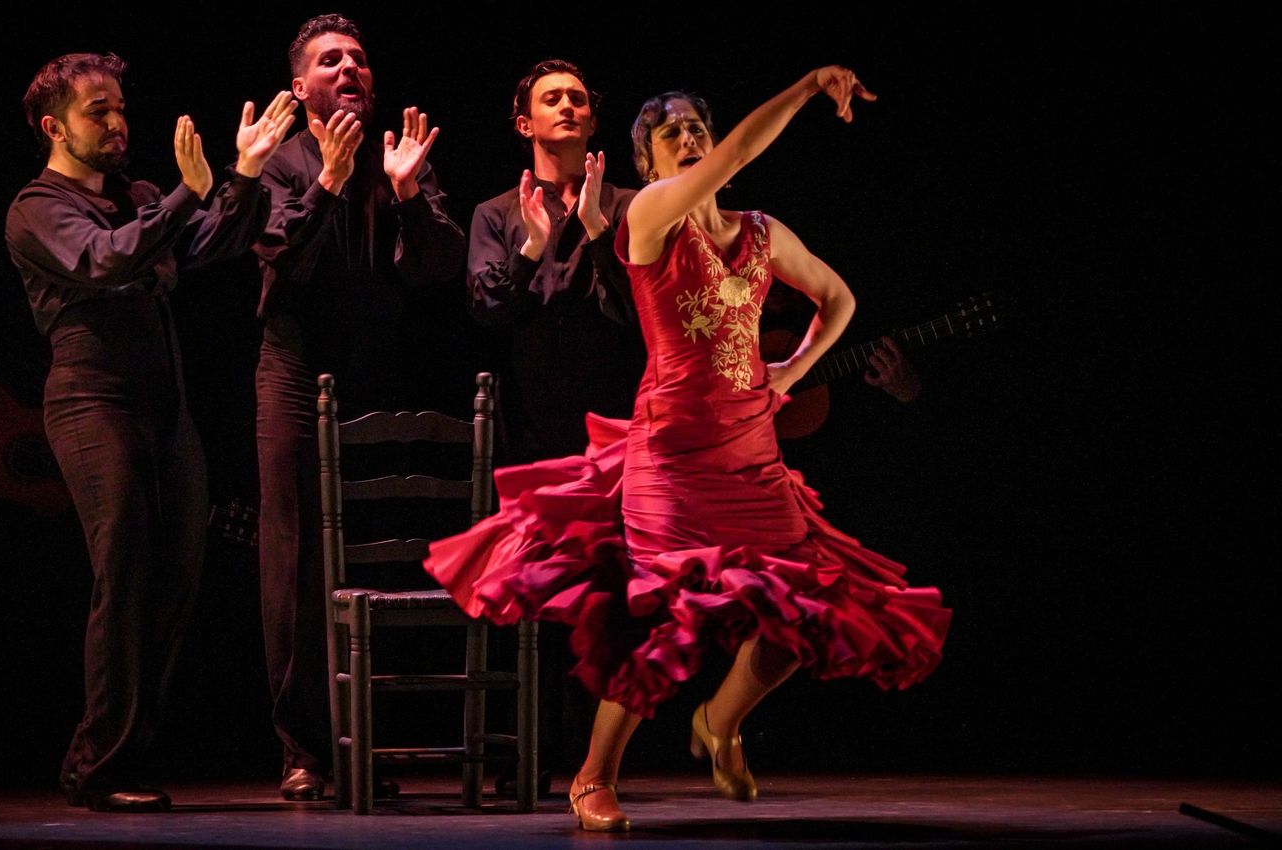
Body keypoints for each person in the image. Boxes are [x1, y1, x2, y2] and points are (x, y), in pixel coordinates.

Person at [425, 68, 951, 831]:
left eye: (697, 128)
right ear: (647, 163)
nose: (690, 139)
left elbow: (839, 299)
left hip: (753, 453)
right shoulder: (648, 215)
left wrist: (792, 371)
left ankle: (721, 724)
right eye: (670, 132)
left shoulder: (762, 232)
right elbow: (735, 157)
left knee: (801, 615)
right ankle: (593, 777)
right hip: (671, 453)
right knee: (667, 622)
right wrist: (805, 88)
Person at [5, 52, 295, 812]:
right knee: (126, 570)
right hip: (91, 402)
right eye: (97, 110)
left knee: (176, 577)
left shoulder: (134, 196)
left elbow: (206, 244)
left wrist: (243, 176)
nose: (116, 121)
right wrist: (186, 194)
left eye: (119, 107)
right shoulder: (37, 207)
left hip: (165, 407)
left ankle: (132, 752)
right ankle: (96, 764)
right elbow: (102, 262)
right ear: (53, 127)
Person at [252, 14, 466, 801]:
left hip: (373, 373)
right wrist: (330, 181)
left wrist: (408, 193)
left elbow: (439, 268)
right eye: (330, 60)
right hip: (295, 369)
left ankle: (363, 740)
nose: (349, 68)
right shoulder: (277, 163)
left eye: (359, 59)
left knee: (376, 555)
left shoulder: (395, 157)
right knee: (299, 556)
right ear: (301, 86)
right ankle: (305, 748)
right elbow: (283, 256)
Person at [468, 59, 645, 463]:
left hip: (617, 410)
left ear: (592, 123)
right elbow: (485, 309)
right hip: (528, 417)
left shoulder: (627, 206)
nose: (567, 106)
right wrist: (531, 248)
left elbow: (642, 307)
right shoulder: (496, 212)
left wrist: (598, 232)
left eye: (577, 100)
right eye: (552, 99)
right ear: (525, 124)